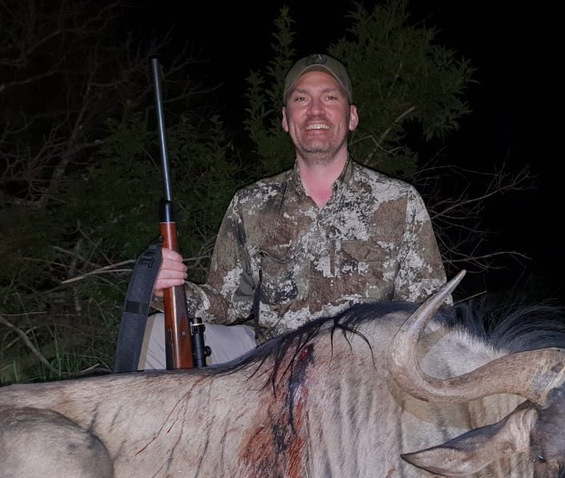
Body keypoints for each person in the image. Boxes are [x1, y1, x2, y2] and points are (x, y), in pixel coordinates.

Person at [142, 53, 446, 369]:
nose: (316, 110)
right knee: (152, 335)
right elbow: (228, 302)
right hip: (273, 370)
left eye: (330, 97)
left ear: (352, 116)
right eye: (301, 99)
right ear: (286, 120)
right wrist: (167, 289)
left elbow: (431, 314)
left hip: (364, 379)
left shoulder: (399, 202)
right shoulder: (251, 204)